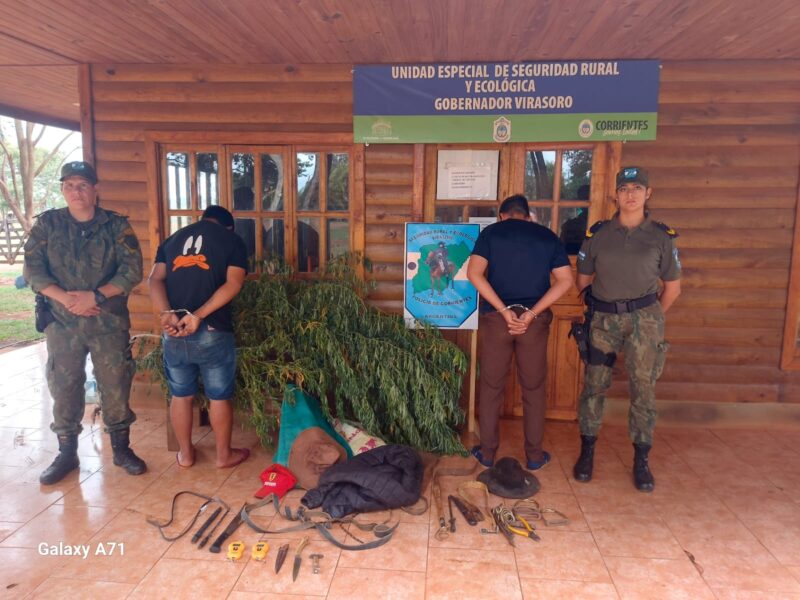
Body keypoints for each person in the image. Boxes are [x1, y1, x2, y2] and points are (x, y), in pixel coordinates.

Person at [24, 161, 146, 485]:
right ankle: (67, 453)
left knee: (116, 384)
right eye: (69, 186)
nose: (75, 192)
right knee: (64, 387)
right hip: (62, 324)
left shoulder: (116, 226)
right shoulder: (48, 225)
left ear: (95, 189)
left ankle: (121, 449)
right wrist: (67, 299)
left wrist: (96, 296)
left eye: (82, 185)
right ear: (63, 189)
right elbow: (33, 270)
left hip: (108, 323)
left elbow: (132, 270)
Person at [573, 166, 681, 492]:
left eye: (636, 188)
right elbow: (583, 281)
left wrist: (648, 317)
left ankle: (641, 460)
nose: (630, 194)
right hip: (603, 320)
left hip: (644, 321)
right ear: (616, 195)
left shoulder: (661, 237)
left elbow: (672, 289)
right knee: (594, 385)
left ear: (648, 194)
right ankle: (587, 452)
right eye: (624, 189)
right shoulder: (598, 234)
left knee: (643, 390)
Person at [467, 194, 574, 471]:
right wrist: (530, 314)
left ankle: (487, 453)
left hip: (497, 321)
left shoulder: (491, 234)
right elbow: (565, 280)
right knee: (534, 388)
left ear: (501, 215)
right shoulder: (547, 236)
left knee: (491, 387)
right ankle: (535, 456)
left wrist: (504, 311)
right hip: (532, 324)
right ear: (527, 216)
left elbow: (474, 274)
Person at [148, 205, 250, 468]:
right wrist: (199, 315)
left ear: (203, 219)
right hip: (212, 330)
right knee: (219, 396)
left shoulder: (172, 240)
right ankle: (223, 456)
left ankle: (185, 454)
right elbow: (234, 283)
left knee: (180, 394)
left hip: (174, 331)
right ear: (229, 226)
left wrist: (166, 313)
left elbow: (154, 280)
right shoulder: (232, 240)